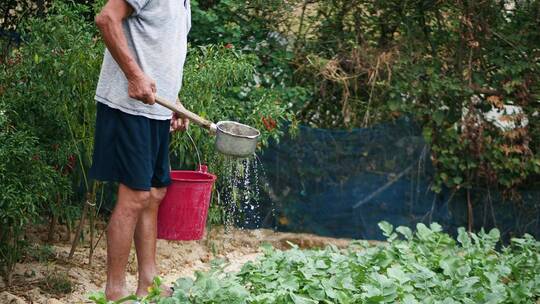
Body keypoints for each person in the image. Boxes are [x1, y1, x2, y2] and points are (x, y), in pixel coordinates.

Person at [90, 0, 191, 300]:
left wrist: (176, 102)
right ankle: (115, 291)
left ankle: (148, 281)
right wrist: (134, 76)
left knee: (155, 193)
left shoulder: (185, 4)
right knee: (134, 197)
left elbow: (160, 51)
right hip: (128, 106)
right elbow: (107, 19)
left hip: (156, 110)